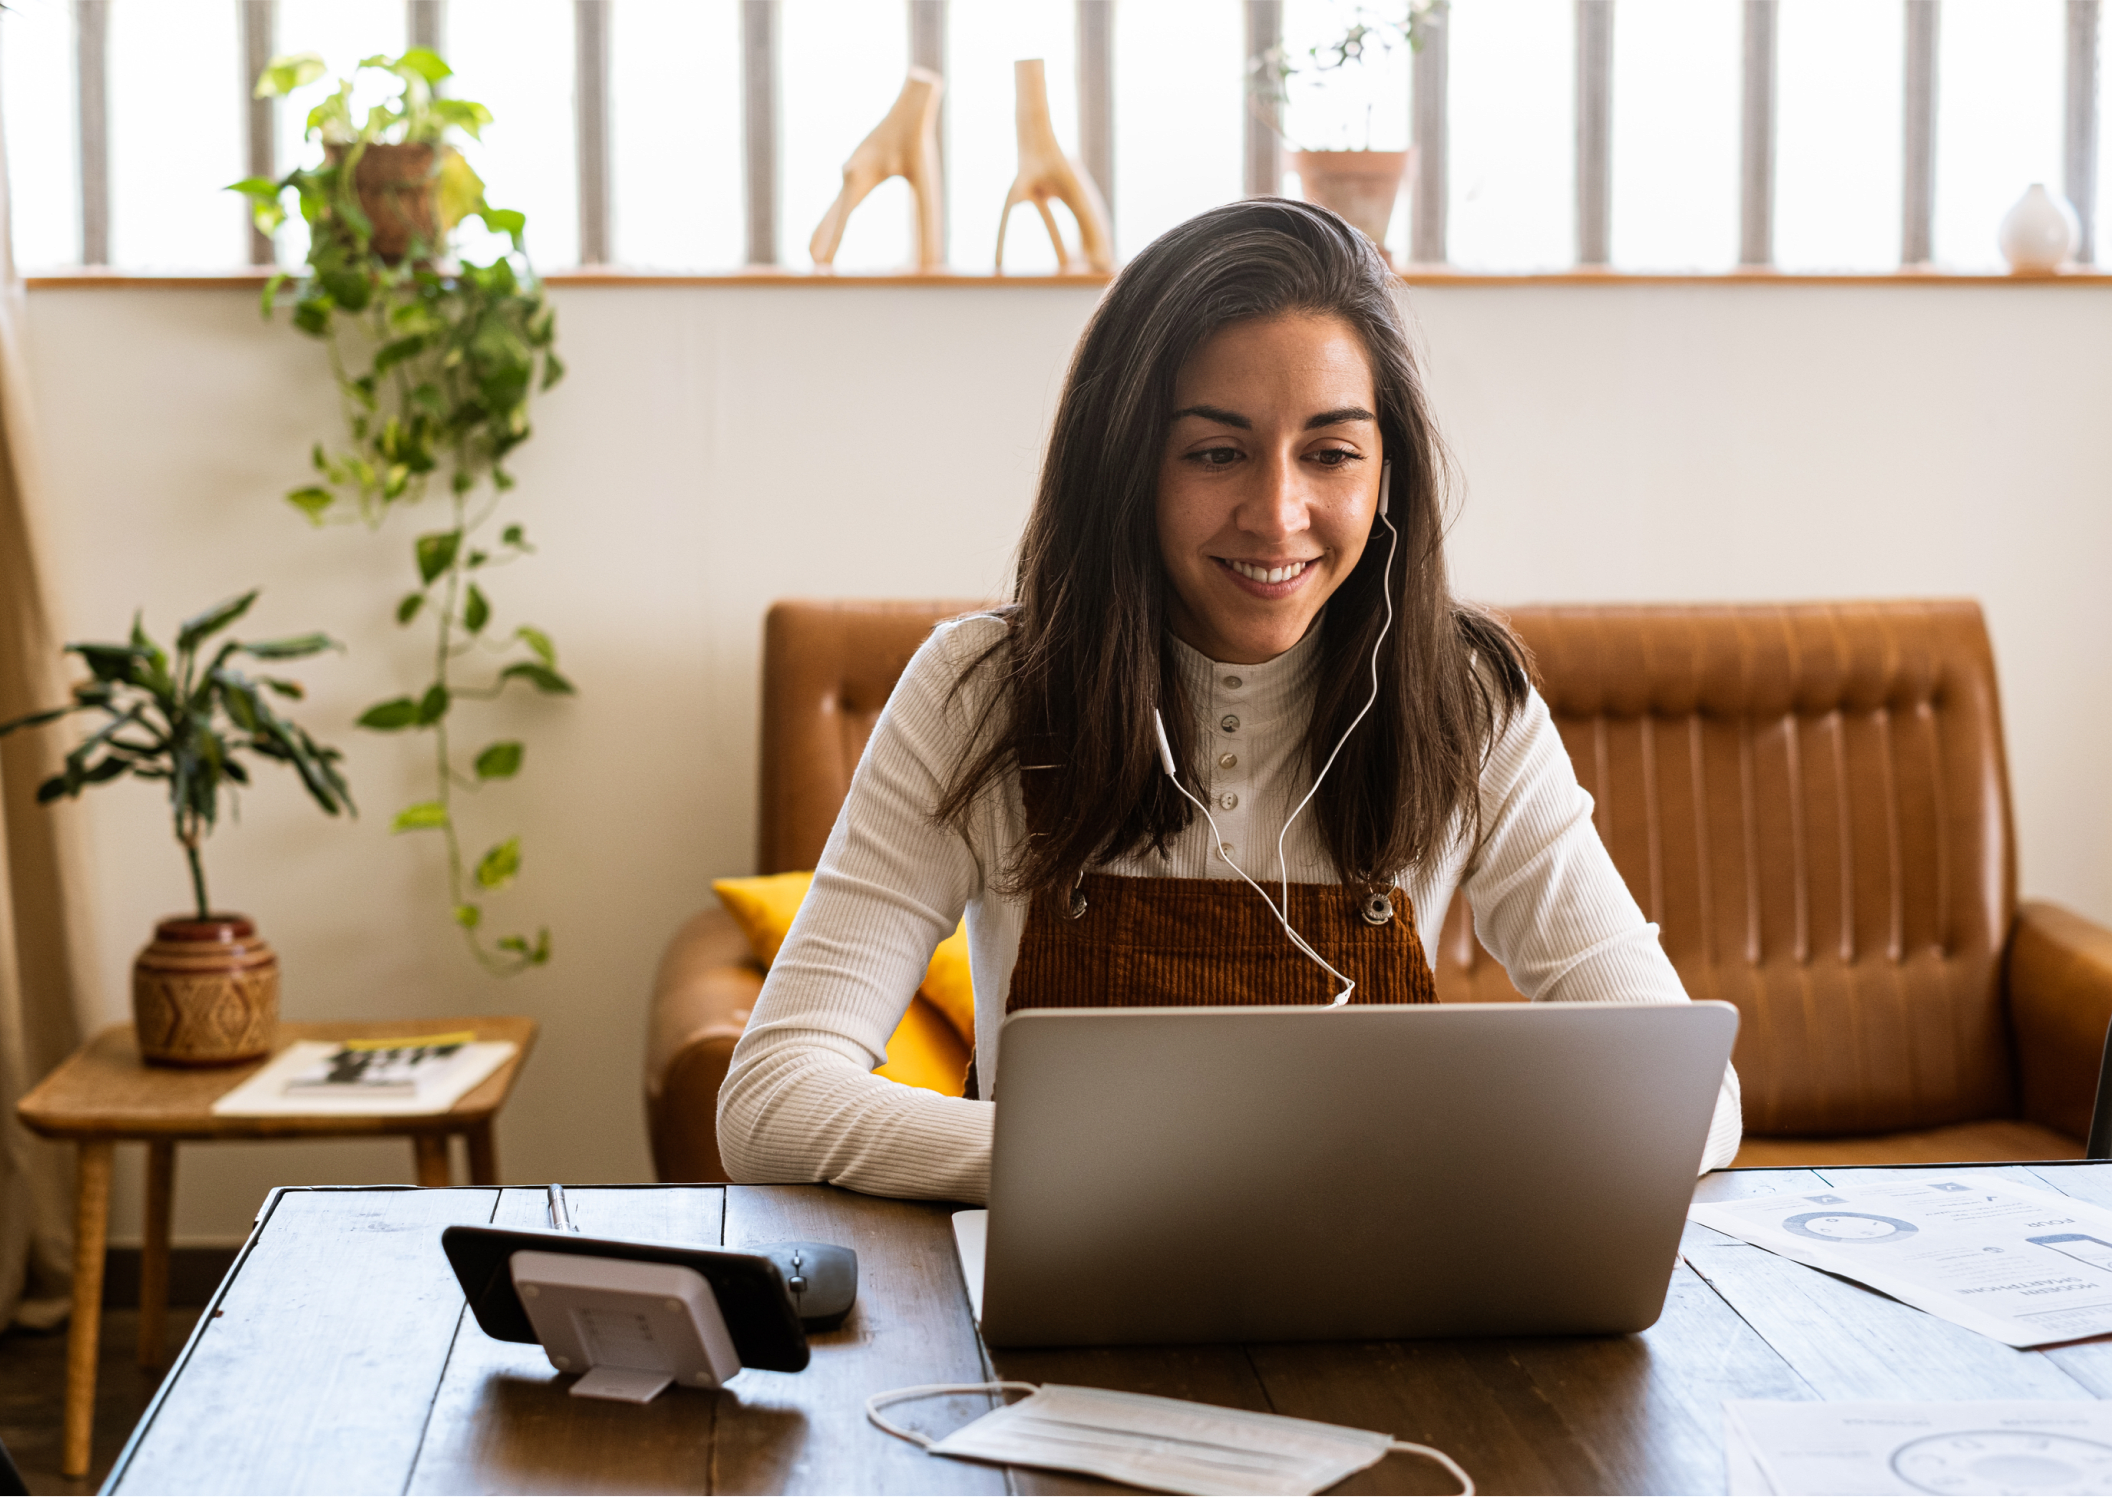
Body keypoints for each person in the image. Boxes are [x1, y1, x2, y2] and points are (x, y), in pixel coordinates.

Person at [719, 199, 1742, 1202]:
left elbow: (1696, 1099)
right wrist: (1133, 1169)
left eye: (1331, 453)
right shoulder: (978, 691)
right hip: (1066, 1321)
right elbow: (772, 1099)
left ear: (1388, 473)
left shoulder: (1463, 700)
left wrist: (1431, 1165)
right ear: (1126, 465)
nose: (1277, 513)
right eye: (1216, 452)